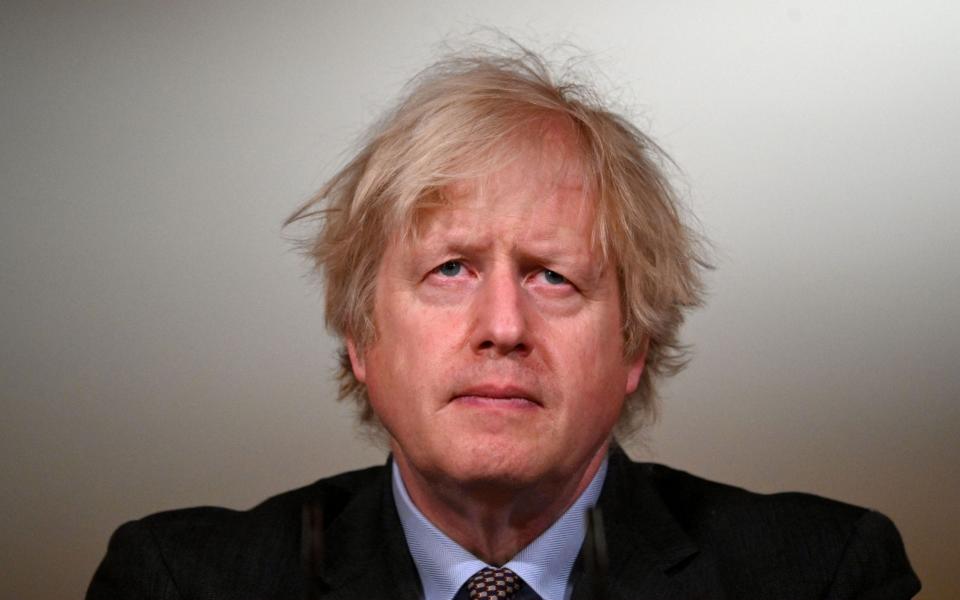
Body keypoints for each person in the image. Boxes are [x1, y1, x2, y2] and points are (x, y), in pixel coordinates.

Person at [87, 44, 920, 600]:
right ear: (359, 335)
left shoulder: (823, 576)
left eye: (552, 277)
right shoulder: (180, 581)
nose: (502, 327)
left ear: (633, 342)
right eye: (451, 268)